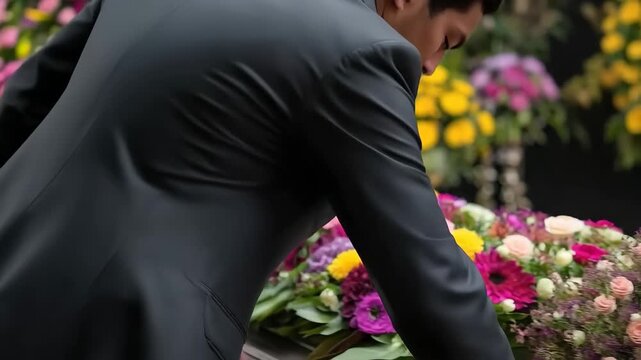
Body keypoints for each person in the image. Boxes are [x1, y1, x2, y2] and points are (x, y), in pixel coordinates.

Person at [0, 0, 514, 358]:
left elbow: (23, 106)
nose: (430, 65)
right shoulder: (362, 52)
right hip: (131, 333)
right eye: (447, 40)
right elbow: (427, 275)